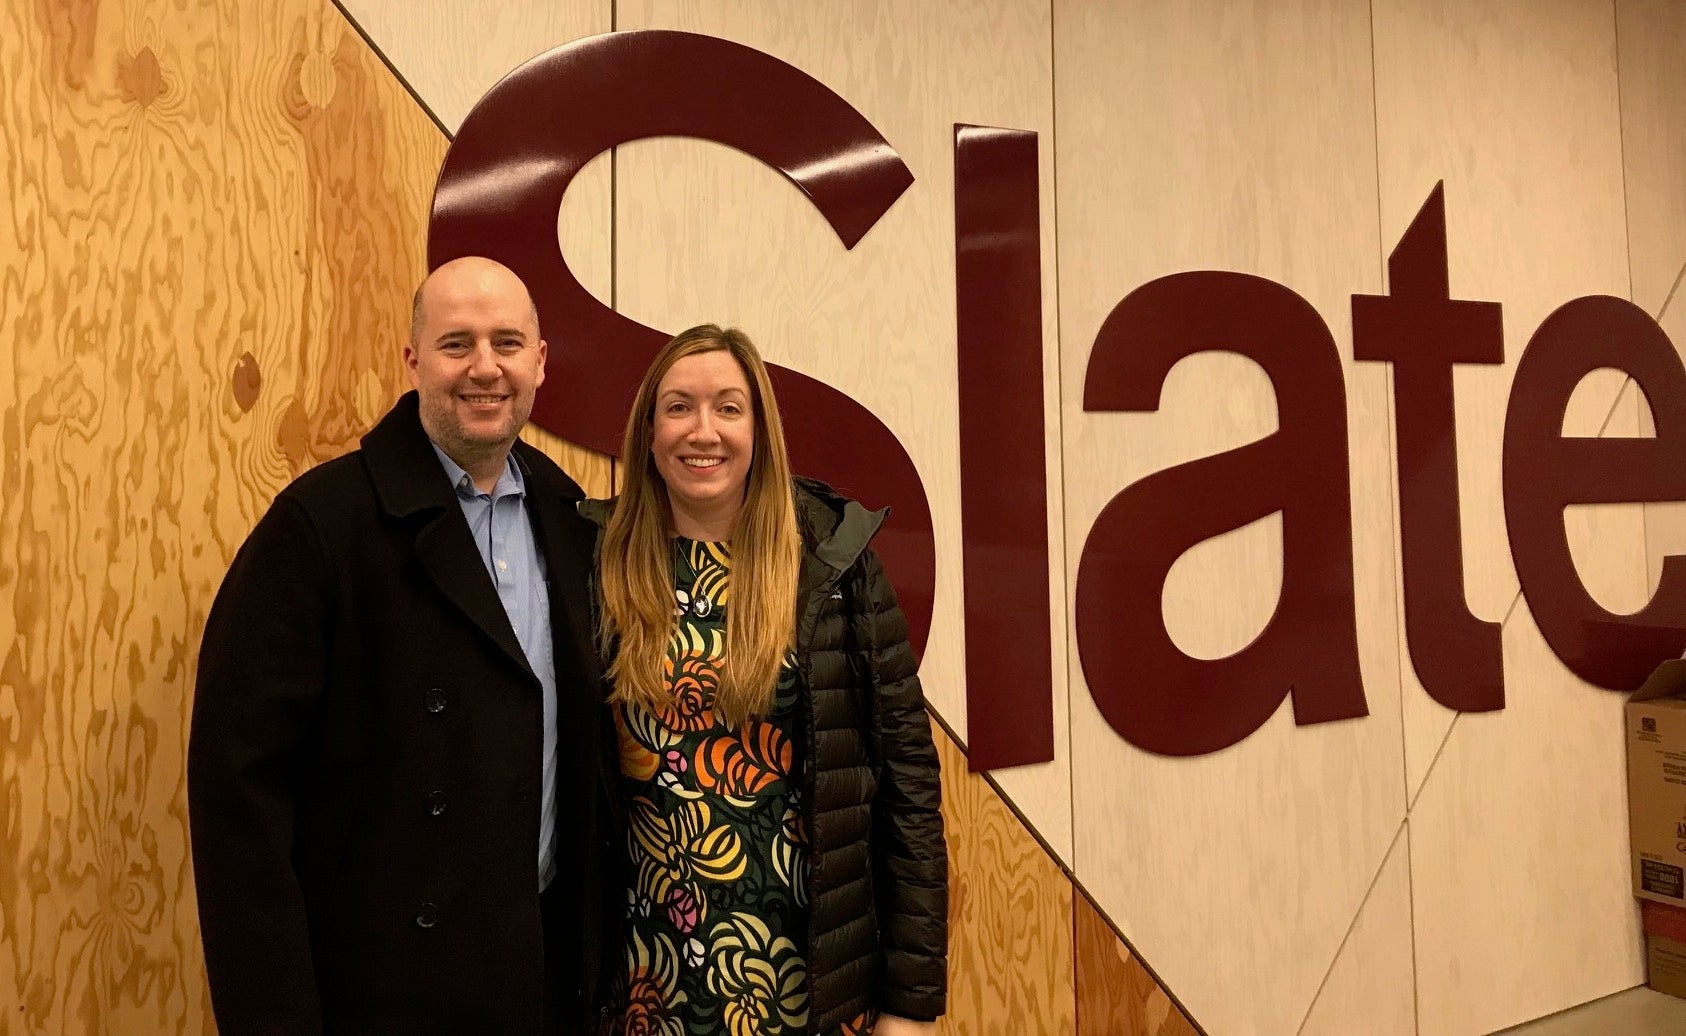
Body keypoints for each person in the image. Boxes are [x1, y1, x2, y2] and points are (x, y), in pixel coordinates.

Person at [189, 257, 617, 1034]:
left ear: (540, 363)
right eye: (457, 344)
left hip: (542, 988)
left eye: (507, 343)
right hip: (378, 996)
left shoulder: (572, 520)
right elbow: (237, 798)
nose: (484, 367)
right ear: (413, 360)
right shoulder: (319, 526)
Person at [585, 324, 947, 1035]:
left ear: (760, 429)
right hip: (642, 990)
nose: (703, 431)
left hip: (808, 991)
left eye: (728, 407)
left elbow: (908, 789)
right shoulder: (594, 564)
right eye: (679, 407)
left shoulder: (833, 565)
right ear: (648, 432)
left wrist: (911, 1003)